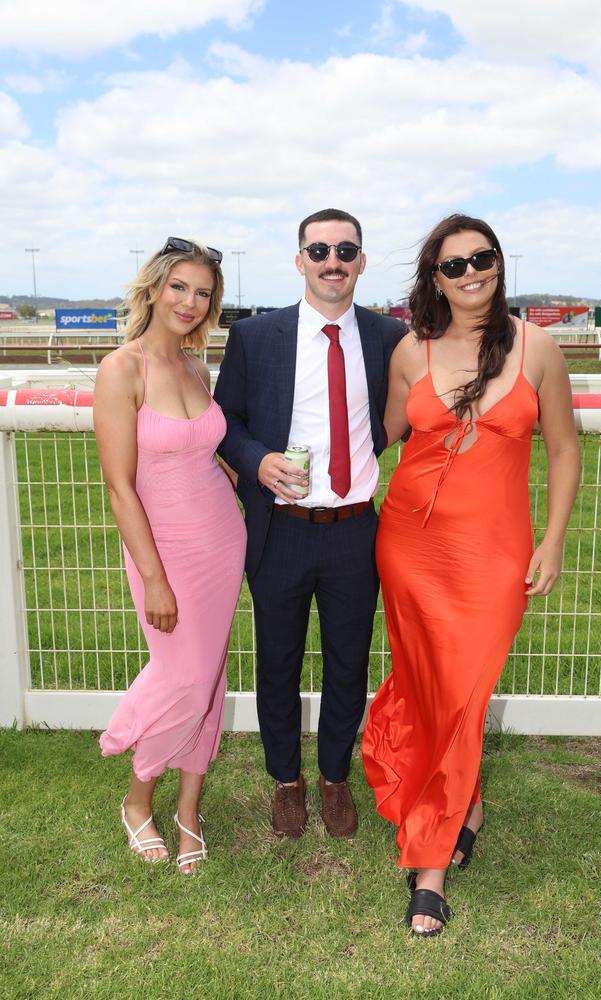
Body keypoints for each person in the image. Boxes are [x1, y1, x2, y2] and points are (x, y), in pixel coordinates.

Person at [362, 214, 580, 936]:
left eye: (481, 259)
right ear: (435, 278)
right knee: (436, 691)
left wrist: (550, 541)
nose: (471, 273)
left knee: (464, 688)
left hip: (494, 554)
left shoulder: (537, 347)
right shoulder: (409, 351)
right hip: (410, 547)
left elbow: (564, 451)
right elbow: (382, 437)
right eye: (454, 265)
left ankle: (430, 860)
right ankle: (451, 828)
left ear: (498, 263)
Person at [215, 209, 405, 839]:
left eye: (346, 250)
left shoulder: (387, 338)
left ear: (361, 260)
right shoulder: (258, 338)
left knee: (349, 663)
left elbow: (395, 420)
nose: (333, 261)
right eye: (319, 250)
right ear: (299, 260)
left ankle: (333, 777)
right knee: (279, 662)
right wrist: (258, 460)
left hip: (355, 528)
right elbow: (227, 424)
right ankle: (286, 783)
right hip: (281, 529)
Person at [95, 237, 246, 873]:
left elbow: (196, 449)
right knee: (182, 676)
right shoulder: (120, 370)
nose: (190, 301)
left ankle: (188, 811)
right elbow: (120, 485)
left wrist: (240, 475)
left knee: (207, 681)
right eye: (179, 287)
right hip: (164, 551)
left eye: (204, 292)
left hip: (221, 539)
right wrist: (154, 579)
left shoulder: (195, 367)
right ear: (154, 288)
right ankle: (136, 798)